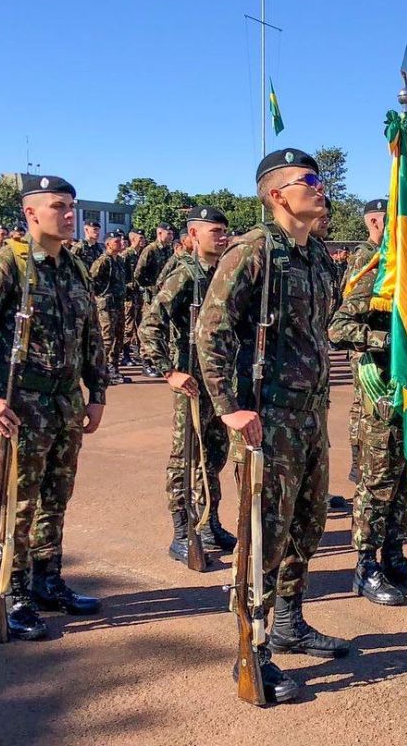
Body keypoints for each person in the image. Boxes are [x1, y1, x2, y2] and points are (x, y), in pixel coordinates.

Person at [197, 148, 348, 704]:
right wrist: (229, 408)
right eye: (309, 181)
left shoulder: (316, 258)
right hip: (268, 419)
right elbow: (210, 333)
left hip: (310, 416)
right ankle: (252, 646)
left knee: (306, 526)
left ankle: (289, 622)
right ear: (277, 194)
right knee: (263, 534)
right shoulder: (252, 253)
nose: (321, 188)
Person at [0, 174, 107, 641]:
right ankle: (13, 591)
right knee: (20, 503)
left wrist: (96, 392)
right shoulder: (7, 267)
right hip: (20, 406)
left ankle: (46, 580)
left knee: (56, 500)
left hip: (64, 405)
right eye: (58, 206)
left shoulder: (74, 268)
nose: (68, 214)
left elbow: (90, 336)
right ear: (30, 213)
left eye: (71, 206)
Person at [330, 199, 407, 604]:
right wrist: (389, 344)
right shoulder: (379, 272)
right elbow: (339, 327)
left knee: (402, 479)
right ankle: (365, 567)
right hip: (380, 390)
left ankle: (395, 557)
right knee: (377, 484)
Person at [140, 207, 235, 562]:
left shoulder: (225, 274)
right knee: (185, 458)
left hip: (220, 382)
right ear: (194, 236)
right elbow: (151, 324)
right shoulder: (184, 275)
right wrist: (169, 371)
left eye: (225, 230)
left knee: (213, 456)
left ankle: (208, 523)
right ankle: (182, 533)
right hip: (192, 383)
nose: (222, 236)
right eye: (215, 230)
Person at [342, 199, 387, 485]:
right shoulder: (365, 256)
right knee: (364, 406)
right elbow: (350, 306)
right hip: (365, 346)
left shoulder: (387, 253)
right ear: (373, 223)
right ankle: (360, 463)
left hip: (382, 345)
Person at [89, 229, 132, 386]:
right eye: (117, 241)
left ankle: (114, 369)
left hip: (119, 304)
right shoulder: (103, 261)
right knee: (107, 339)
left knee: (118, 338)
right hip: (107, 306)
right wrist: (100, 297)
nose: (120, 244)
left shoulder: (120, 261)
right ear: (108, 244)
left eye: (121, 241)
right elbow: (91, 280)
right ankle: (102, 371)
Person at [133, 223, 175, 378]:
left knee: (162, 329)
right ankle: (147, 363)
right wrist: (149, 287)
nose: (171, 236)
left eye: (171, 234)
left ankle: (159, 361)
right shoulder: (150, 250)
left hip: (163, 295)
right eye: (168, 233)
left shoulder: (169, 251)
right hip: (151, 296)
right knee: (148, 327)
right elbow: (138, 273)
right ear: (159, 233)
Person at [121, 228, 145, 366]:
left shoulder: (140, 254)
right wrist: (130, 285)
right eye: (140, 238)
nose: (143, 241)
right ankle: (125, 355)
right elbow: (121, 277)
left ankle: (137, 353)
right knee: (128, 326)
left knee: (139, 325)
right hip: (128, 297)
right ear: (133, 239)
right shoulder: (126, 255)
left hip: (138, 296)